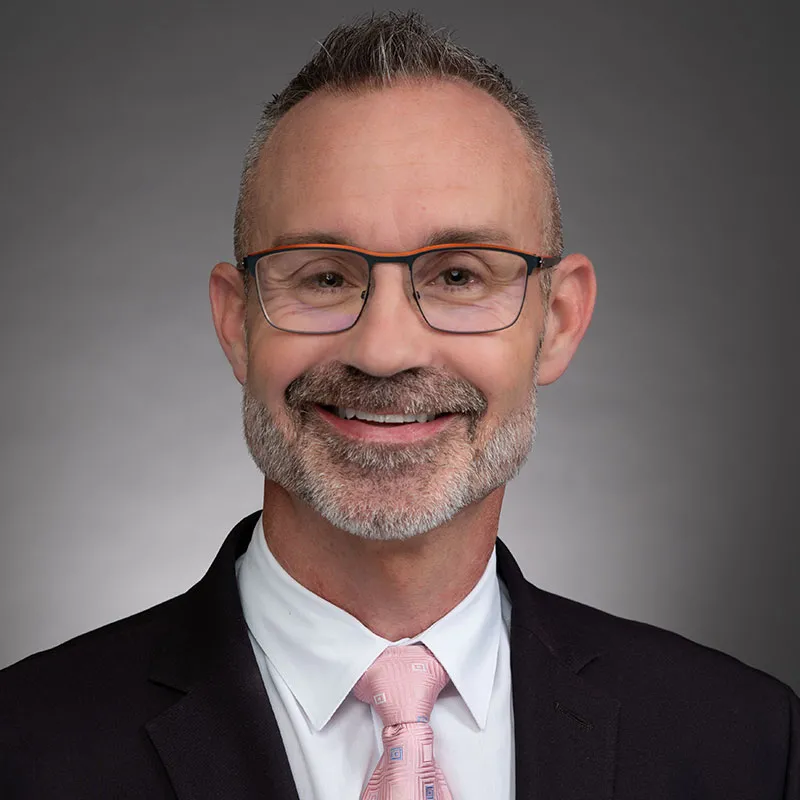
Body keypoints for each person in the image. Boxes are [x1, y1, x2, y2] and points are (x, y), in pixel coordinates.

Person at [0, 11, 796, 800]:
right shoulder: (23, 748)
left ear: (556, 324)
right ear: (236, 323)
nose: (384, 350)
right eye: (323, 276)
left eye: (457, 276)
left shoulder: (749, 746)